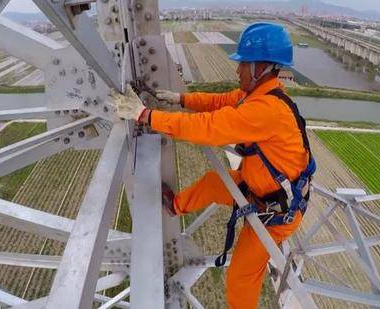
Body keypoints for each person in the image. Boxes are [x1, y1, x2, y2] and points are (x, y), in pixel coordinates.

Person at [112, 22, 315, 308]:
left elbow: (208, 127)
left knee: (240, 279)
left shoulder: (266, 111)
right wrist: (181, 99)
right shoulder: (259, 96)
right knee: (212, 182)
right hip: (258, 189)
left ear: (262, 68)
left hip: (275, 214)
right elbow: (220, 102)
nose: (237, 70)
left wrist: (146, 115)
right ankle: (177, 205)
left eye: (243, 64)